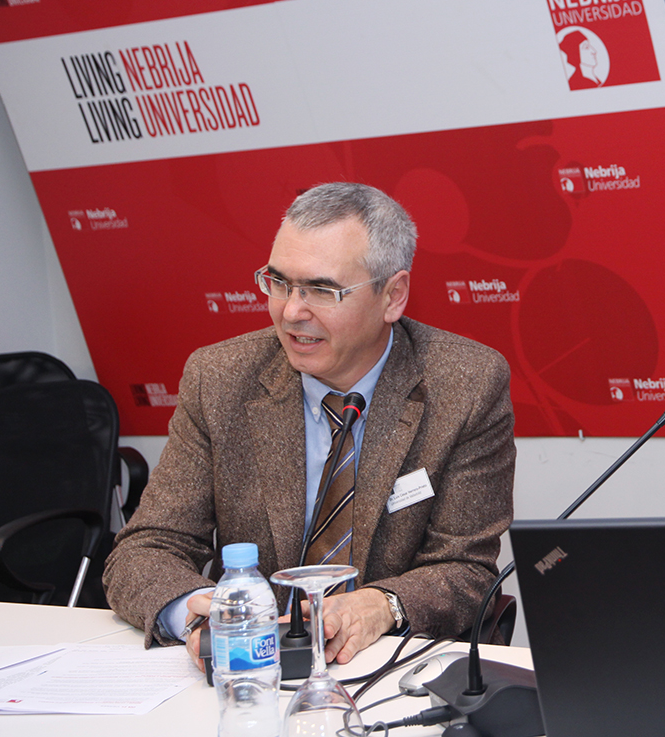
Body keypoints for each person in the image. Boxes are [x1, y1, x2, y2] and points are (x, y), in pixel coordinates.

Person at [103, 182, 515, 667]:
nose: (291, 311)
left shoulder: (466, 384)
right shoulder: (218, 379)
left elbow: (466, 568)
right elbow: (147, 547)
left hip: (383, 665)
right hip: (245, 669)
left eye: (321, 290)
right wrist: (200, 615)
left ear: (393, 296)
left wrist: (381, 605)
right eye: (279, 283)